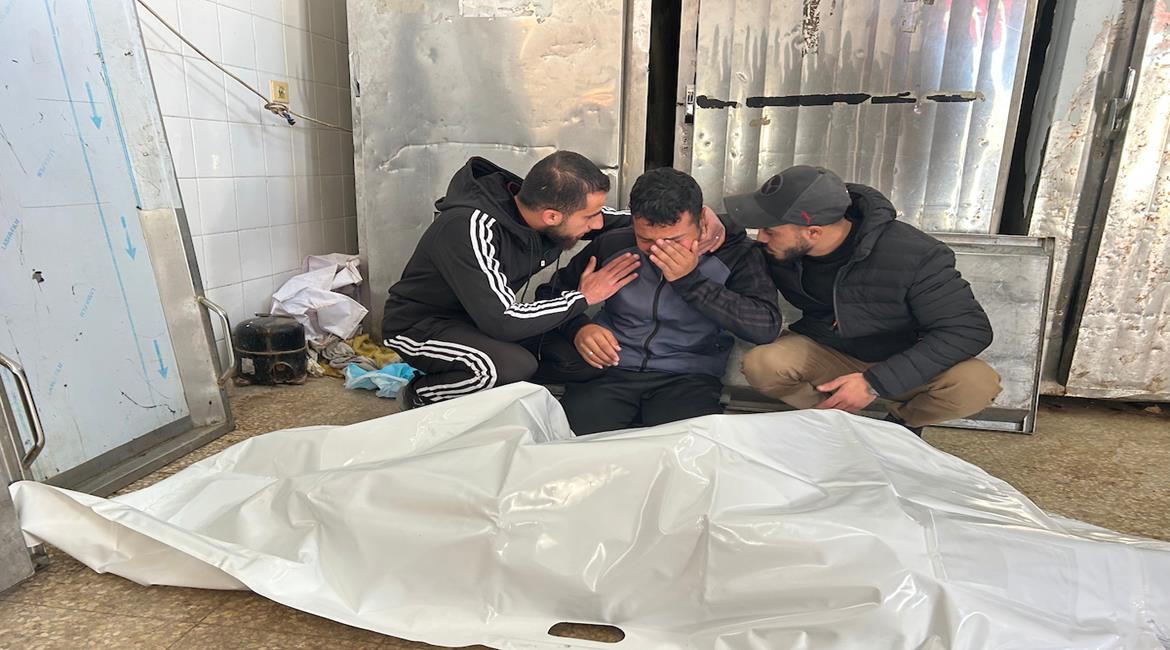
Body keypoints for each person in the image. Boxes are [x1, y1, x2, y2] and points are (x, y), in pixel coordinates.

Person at [381, 152, 724, 409]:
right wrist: (584, 297)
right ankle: (421, 395)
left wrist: (707, 217)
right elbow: (503, 320)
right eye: (590, 216)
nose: (597, 225)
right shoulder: (470, 227)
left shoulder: (545, 212)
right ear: (551, 216)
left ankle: (493, 394)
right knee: (498, 367)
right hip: (424, 327)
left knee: (585, 361)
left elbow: (631, 222)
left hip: (481, 321)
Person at [726, 165, 1002, 435]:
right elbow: (730, 239)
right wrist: (713, 223)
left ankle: (901, 424)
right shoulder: (781, 249)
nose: (760, 238)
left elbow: (969, 329)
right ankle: (835, 421)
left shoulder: (916, 255)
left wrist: (874, 383)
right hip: (829, 350)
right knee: (763, 364)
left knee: (976, 385)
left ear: (813, 232)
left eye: (770, 231)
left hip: (901, 356)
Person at [537, 167, 781, 434]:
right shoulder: (613, 244)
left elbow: (764, 326)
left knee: (684, 447)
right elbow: (550, 293)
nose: (658, 250)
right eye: (645, 239)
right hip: (610, 370)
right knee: (569, 440)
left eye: (675, 239)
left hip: (689, 377)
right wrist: (579, 328)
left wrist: (690, 281)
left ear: (702, 219)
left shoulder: (736, 254)